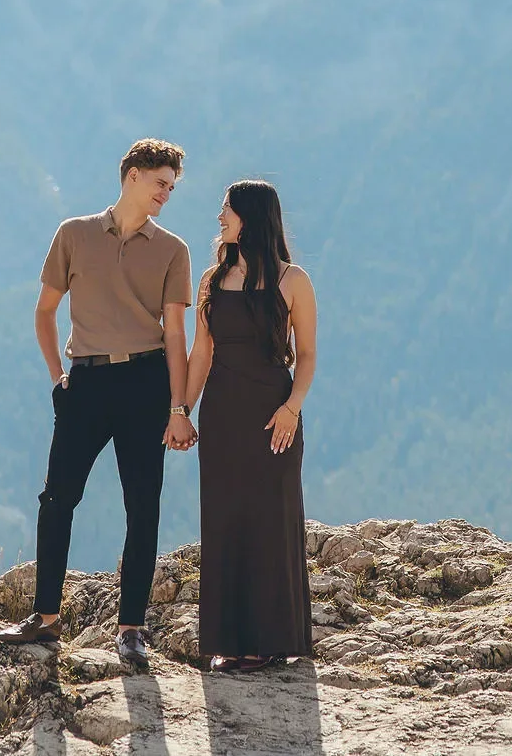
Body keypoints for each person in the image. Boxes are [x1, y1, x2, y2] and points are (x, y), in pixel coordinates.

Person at [0, 139, 199, 670]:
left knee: (143, 506)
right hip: (84, 383)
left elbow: (176, 334)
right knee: (56, 499)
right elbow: (44, 312)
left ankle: (131, 629)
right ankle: (45, 617)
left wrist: (179, 408)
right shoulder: (74, 234)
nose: (166, 194)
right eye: (160, 183)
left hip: (147, 383)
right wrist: (57, 378)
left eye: (171, 187)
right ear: (132, 175)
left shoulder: (173, 250)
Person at [184, 179, 318, 672]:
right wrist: (180, 412)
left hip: (273, 418)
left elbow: (307, 355)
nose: (220, 217)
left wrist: (292, 408)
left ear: (251, 216)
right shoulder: (211, 280)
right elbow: (201, 354)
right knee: (224, 521)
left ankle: (268, 643)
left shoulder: (293, 280)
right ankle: (230, 642)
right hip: (222, 417)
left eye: (227, 209)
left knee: (270, 522)